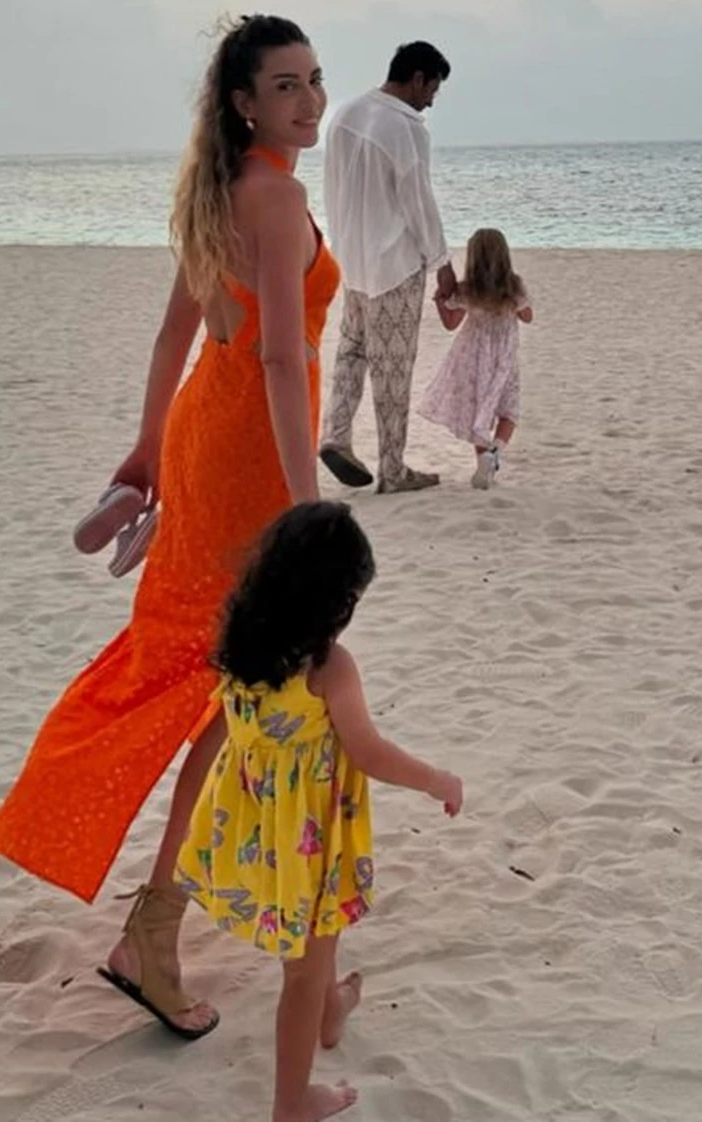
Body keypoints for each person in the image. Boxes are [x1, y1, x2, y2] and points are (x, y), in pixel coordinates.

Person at [0, 14, 340, 1040]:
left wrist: (149, 452)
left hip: (202, 441)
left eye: (316, 79)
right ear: (243, 102)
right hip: (249, 459)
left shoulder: (220, 190)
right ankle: (156, 928)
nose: (309, 101)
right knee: (236, 690)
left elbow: (172, 337)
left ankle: (196, 930)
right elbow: (281, 358)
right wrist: (307, 504)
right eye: (285, 86)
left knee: (218, 681)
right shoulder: (277, 198)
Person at [176, 501, 463, 1122]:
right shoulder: (327, 667)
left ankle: (332, 1009)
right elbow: (369, 752)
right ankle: (292, 1102)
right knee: (302, 975)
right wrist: (437, 780)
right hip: (305, 837)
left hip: (256, 826)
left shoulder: (241, 646)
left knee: (317, 945)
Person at [319, 41, 455, 495]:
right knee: (393, 369)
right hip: (394, 264)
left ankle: (336, 434)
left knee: (352, 351)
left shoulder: (345, 115)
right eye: (432, 89)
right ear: (417, 79)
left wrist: (342, 247)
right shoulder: (405, 126)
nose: (430, 101)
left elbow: (333, 189)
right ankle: (392, 469)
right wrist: (441, 262)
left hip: (352, 260)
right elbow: (418, 199)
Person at [419, 229, 533, 489]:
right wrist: (518, 307)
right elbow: (527, 317)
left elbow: (451, 323)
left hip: (473, 357)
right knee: (509, 410)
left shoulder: (467, 289)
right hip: (504, 357)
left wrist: (439, 302)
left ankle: (483, 460)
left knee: (478, 410)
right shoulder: (513, 287)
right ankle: (495, 453)